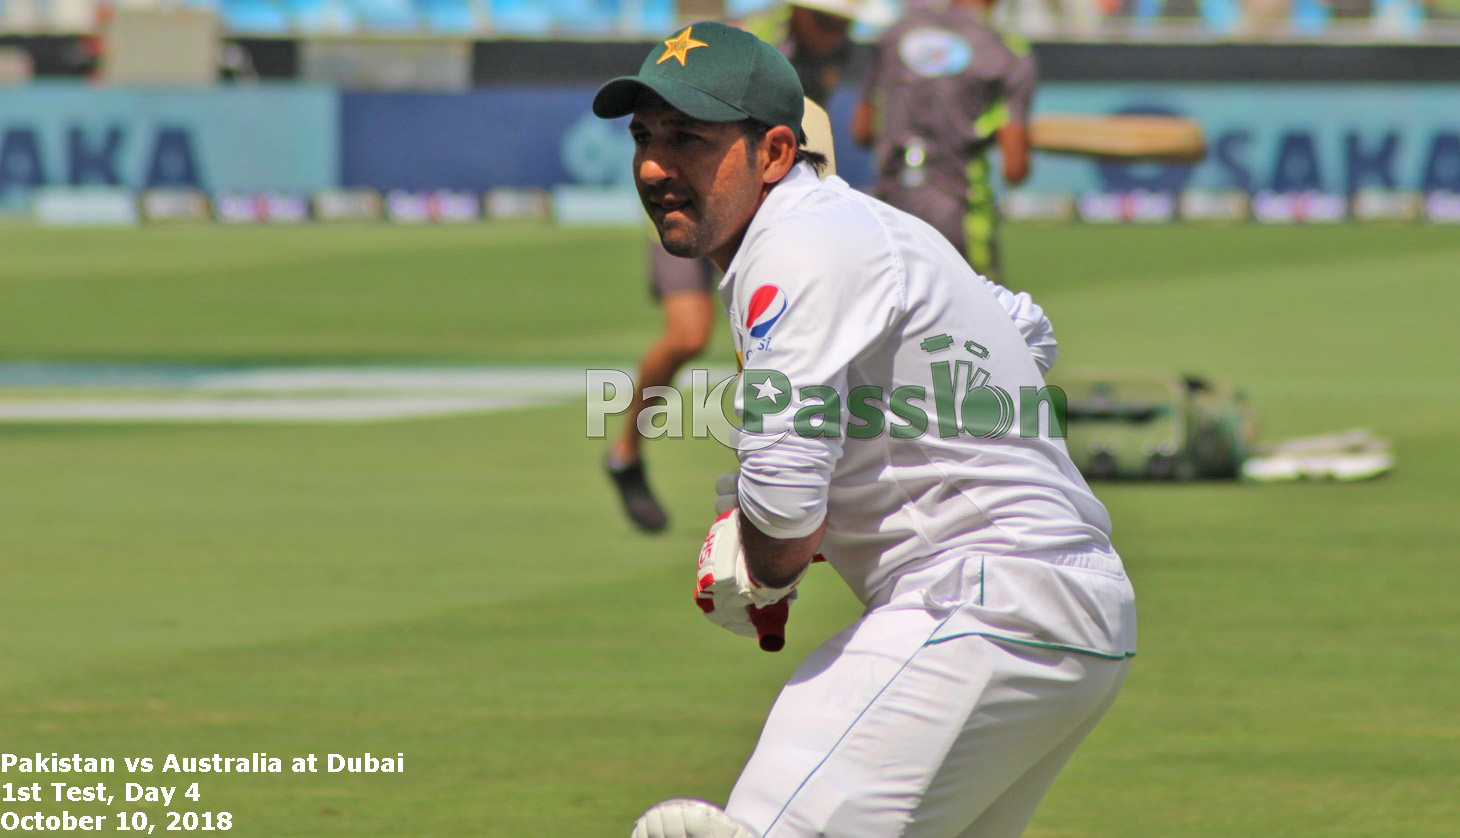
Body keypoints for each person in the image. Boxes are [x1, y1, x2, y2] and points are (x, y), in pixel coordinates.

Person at [595, 21, 1137, 838]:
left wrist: (765, 568)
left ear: (775, 153)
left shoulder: (796, 247)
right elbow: (1025, 329)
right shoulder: (862, 230)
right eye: (644, 137)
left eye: (689, 139)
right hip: (1067, 613)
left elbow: (780, 505)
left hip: (978, 606)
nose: (653, 166)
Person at [605, 1, 865, 534]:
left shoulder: (843, 48)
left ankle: (769, 476)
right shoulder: (756, 41)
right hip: (703, 198)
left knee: (764, 343)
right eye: (827, 20)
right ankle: (625, 452)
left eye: (843, 22)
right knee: (687, 336)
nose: (835, 32)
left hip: (766, 199)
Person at [852, 0, 1036, 281]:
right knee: (980, 317)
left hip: (891, 205)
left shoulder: (895, 34)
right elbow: (1014, 169)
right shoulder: (1007, 52)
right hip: (959, 205)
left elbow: (862, 131)